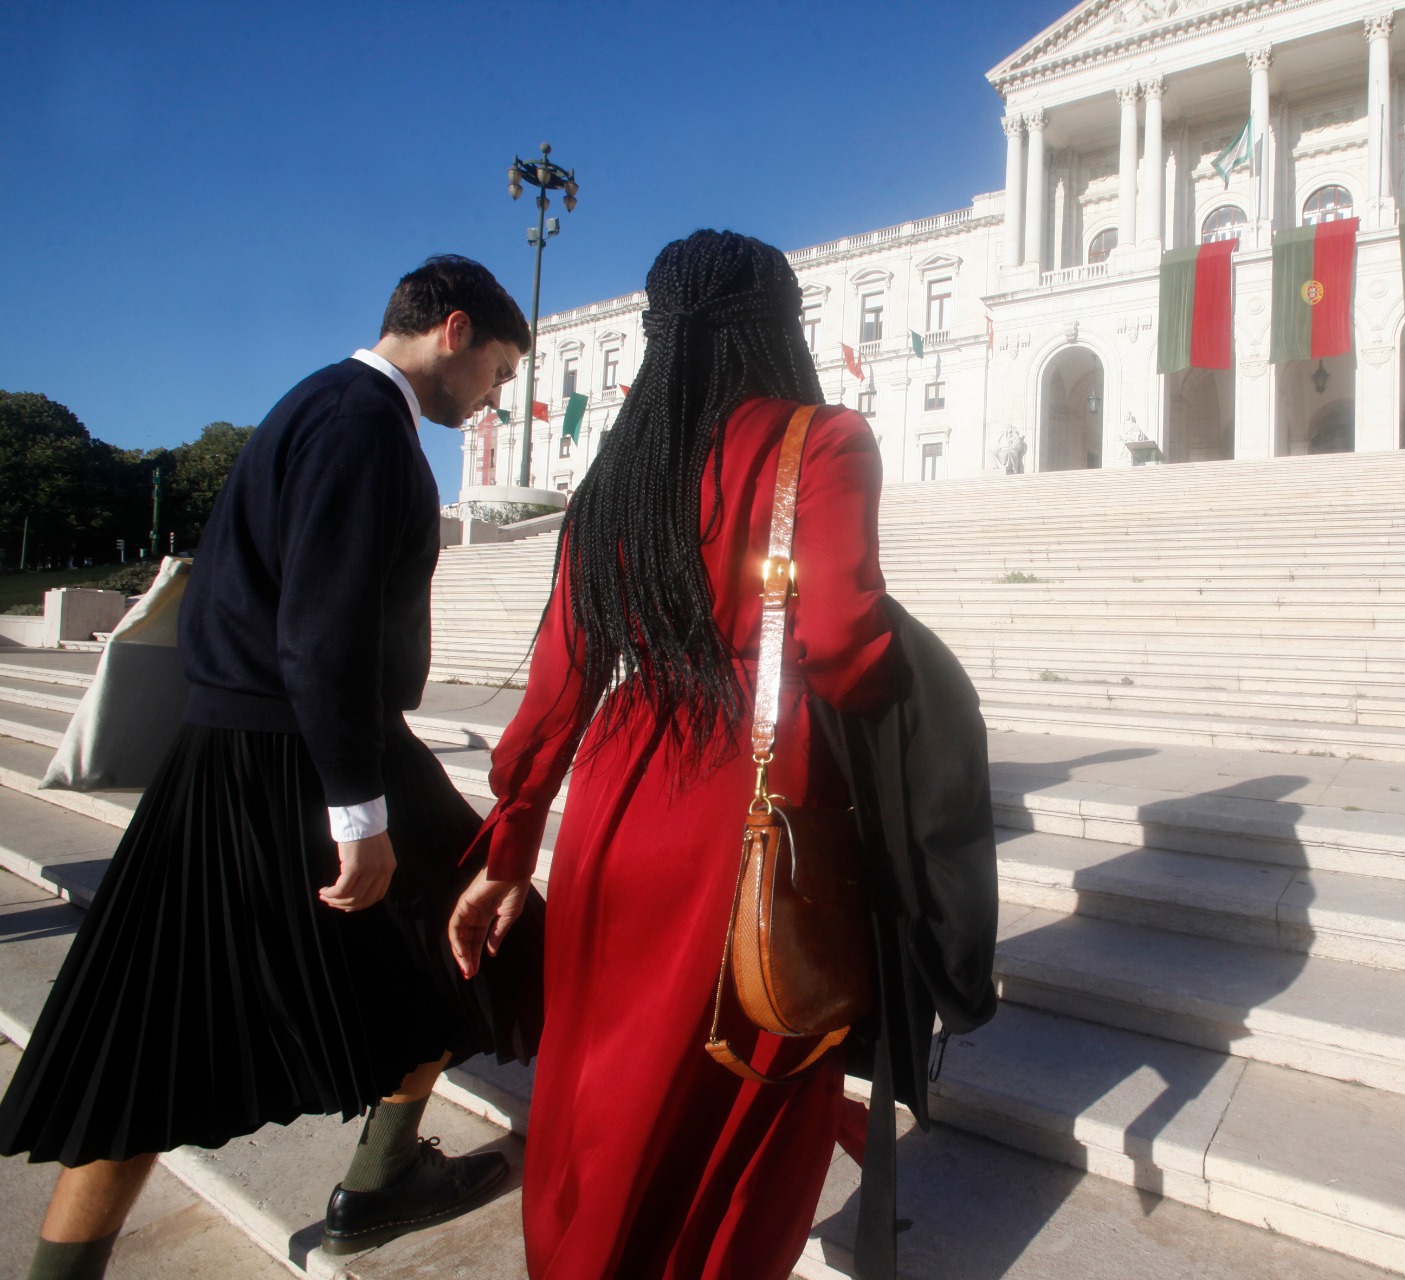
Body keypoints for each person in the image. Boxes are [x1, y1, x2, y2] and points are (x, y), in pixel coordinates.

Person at [0, 255, 546, 1278]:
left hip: (232, 754)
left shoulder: (313, 404)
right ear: (456, 330)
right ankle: (380, 1181)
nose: (495, 401)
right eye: (501, 373)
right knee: (489, 933)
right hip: (309, 752)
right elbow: (321, 633)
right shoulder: (361, 424)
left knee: (145, 1043)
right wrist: (356, 811)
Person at [449, 229, 897, 1279]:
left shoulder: (623, 467)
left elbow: (560, 678)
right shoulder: (820, 440)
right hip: (749, 804)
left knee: (600, 1083)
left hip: (617, 796)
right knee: (743, 1088)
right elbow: (839, 642)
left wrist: (508, 849)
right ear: (776, 322)